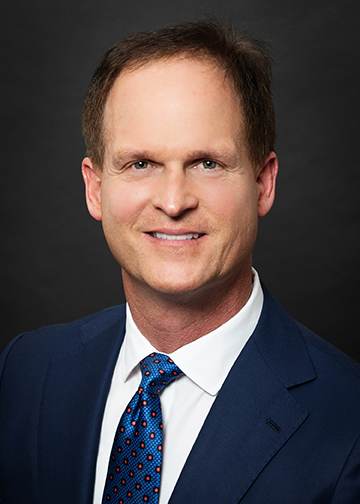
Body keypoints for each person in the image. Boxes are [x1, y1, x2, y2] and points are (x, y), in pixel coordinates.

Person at [0, 20, 359, 504]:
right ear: (95, 188)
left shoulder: (349, 421)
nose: (173, 201)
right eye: (141, 163)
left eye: (207, 163)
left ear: (262, 183)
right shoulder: (24, 371)